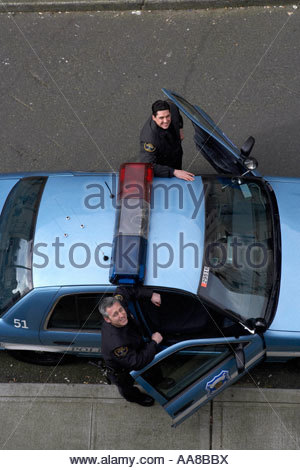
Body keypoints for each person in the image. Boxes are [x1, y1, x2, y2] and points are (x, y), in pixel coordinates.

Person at [99, 286, 163, 407]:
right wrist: (154, 343)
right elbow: (137, 362)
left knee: (152, 370)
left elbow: (123, 290)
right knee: (126, 387)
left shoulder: (116, 303)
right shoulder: (117, 344)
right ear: (107, 319)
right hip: (121, 369)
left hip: (135, 346)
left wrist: (150, 294)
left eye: (121, 309)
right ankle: (135, 398)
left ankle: (158, 382)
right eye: (115, 314)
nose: (122, 315)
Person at [139, 99, 195, 181]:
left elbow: (176, 114)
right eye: (161, 118)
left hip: (175, 153)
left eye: (168, 116)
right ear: (154, 117)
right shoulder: (149, 139)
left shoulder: (172, 108)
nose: (165, 121)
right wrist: (173, 172)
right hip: (163, 164)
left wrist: (180, 128)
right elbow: (148, 165)